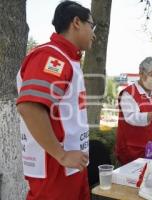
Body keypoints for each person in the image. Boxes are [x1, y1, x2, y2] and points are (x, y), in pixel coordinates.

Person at [16, 1, 96, 199]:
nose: (94, 33)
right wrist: (61, 154)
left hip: (71, 166)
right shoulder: (52, 56)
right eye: (91, 25)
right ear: (76, 22)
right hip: (55, 170)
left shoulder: (69, 59)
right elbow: (29, 106)